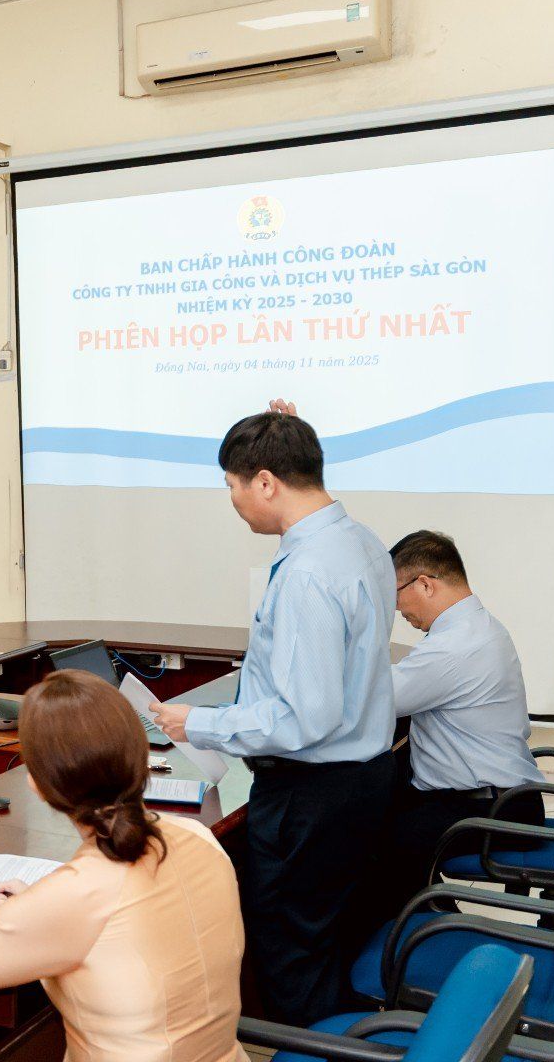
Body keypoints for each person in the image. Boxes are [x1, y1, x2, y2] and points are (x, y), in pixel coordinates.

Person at [145, 405, 395, 1024]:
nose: (232, 500)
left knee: (291, 957)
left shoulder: (308, 573)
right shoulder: (360, 541)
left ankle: (310, 1049)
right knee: (326, 941)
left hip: (310, 797)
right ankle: (339, 1038)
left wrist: (197, 724)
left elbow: (304, 718)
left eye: (233, 484)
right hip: (361, 783)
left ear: (265, 482)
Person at [0, 670, 247, 1062]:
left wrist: (32, 914)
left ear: (37, 783)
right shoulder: (199, 837)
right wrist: (37, 911)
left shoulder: (76, 894)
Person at [358, 530, 547, 926]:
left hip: (489, 810)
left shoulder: (454, 646)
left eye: (394, 594)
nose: (396, 610)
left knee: (366, 842)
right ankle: (433, 915)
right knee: (371, 806)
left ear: (425, 584)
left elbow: (370, 699)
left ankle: (416, 941)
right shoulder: (477, 626)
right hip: (504, 798)